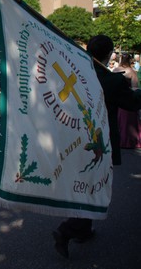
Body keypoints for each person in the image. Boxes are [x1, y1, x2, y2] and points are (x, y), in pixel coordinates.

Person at [53, 35, 141, 259]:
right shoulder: (111, 81)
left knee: (87, 184)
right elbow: (132, 103)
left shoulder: (76, 74)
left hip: (75, 137)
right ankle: (67, 230)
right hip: (99, 141)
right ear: (109, 53)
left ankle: (83, 230)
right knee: (93, 186)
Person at [112, 53, 141, 148]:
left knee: (118, 120)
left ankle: (118, 141)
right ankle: (129, 141)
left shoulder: (115, 70)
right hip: (127, 98)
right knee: (128, 122)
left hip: (116, 98)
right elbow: (135, 87)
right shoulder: (131, 72)